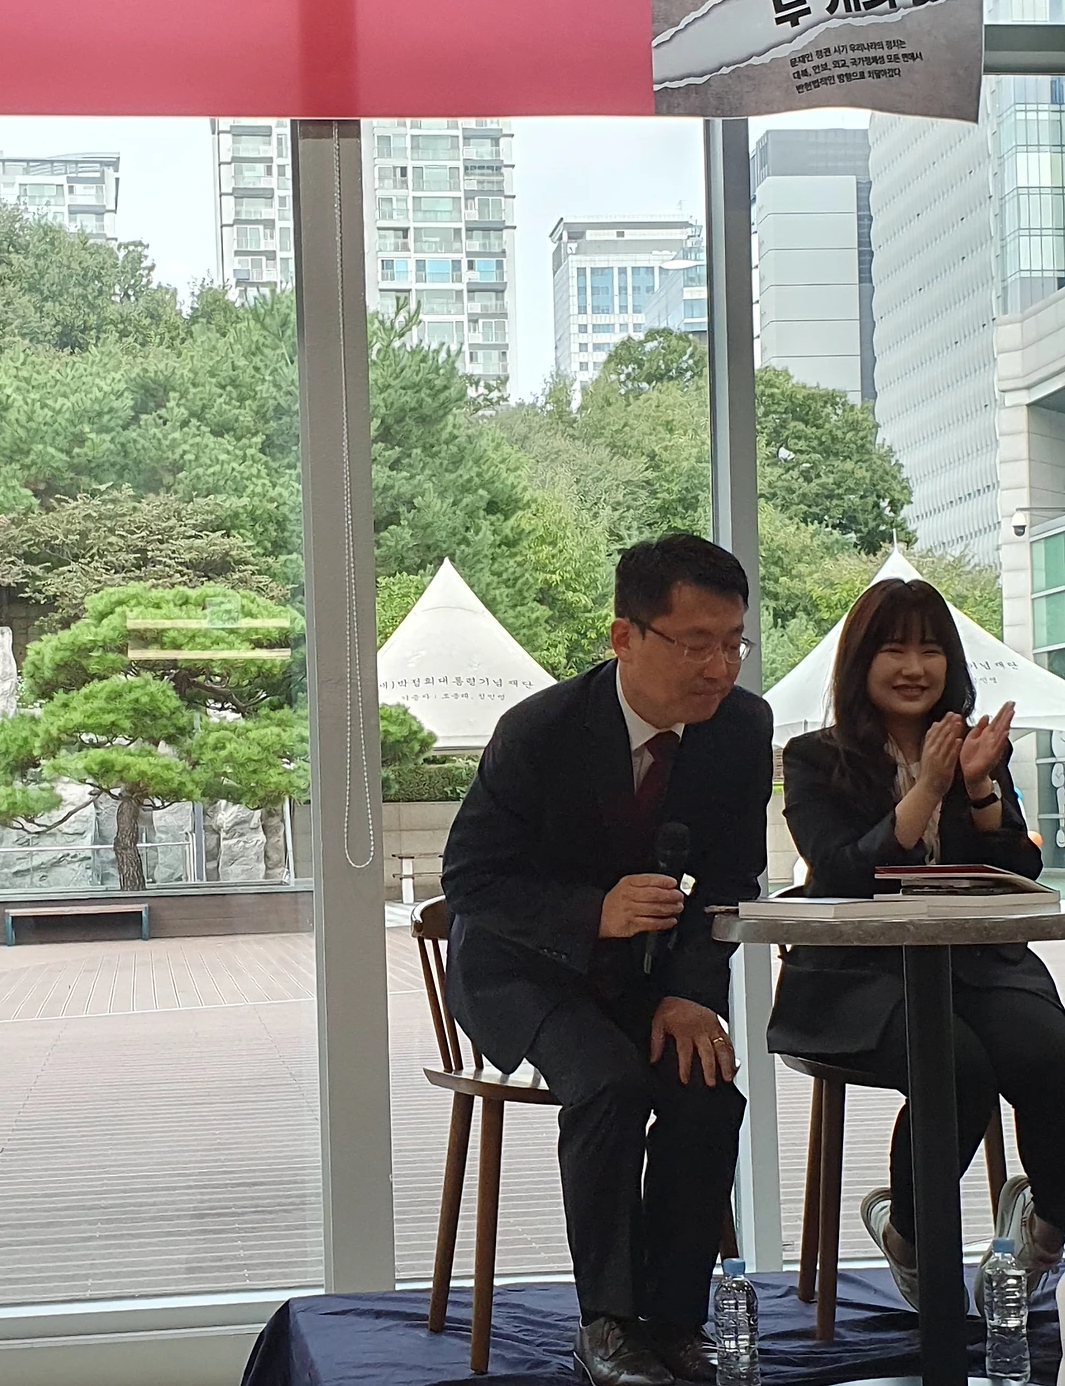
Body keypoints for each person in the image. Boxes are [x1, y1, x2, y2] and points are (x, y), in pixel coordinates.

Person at [442, 534, 773, 1386]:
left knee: (707, 1093)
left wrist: (691, 994)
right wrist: (595, 911)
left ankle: (674, 1321)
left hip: (646, 976)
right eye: (695, 643)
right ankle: (608, 1325)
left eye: (733, 642)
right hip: (522, 968)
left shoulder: (742, 728)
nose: (719, 667)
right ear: (625, 636)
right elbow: (470, 878)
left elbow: (729, 882)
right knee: (610, 1082)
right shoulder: (541, 730)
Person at [768, 577, 1065, 1316]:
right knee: (954, 1064)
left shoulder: (973, 747)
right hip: (856, 976)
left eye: (930, 650)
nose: (914, 667)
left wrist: (978, 785)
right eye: (893, 649)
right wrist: (928, 787)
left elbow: (1019, 867)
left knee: (1053, 1050)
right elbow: (840, 870)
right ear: (860, 661)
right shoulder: (811, 758)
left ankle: (1046, 1227)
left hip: (975, 965)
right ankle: (909, 1235)